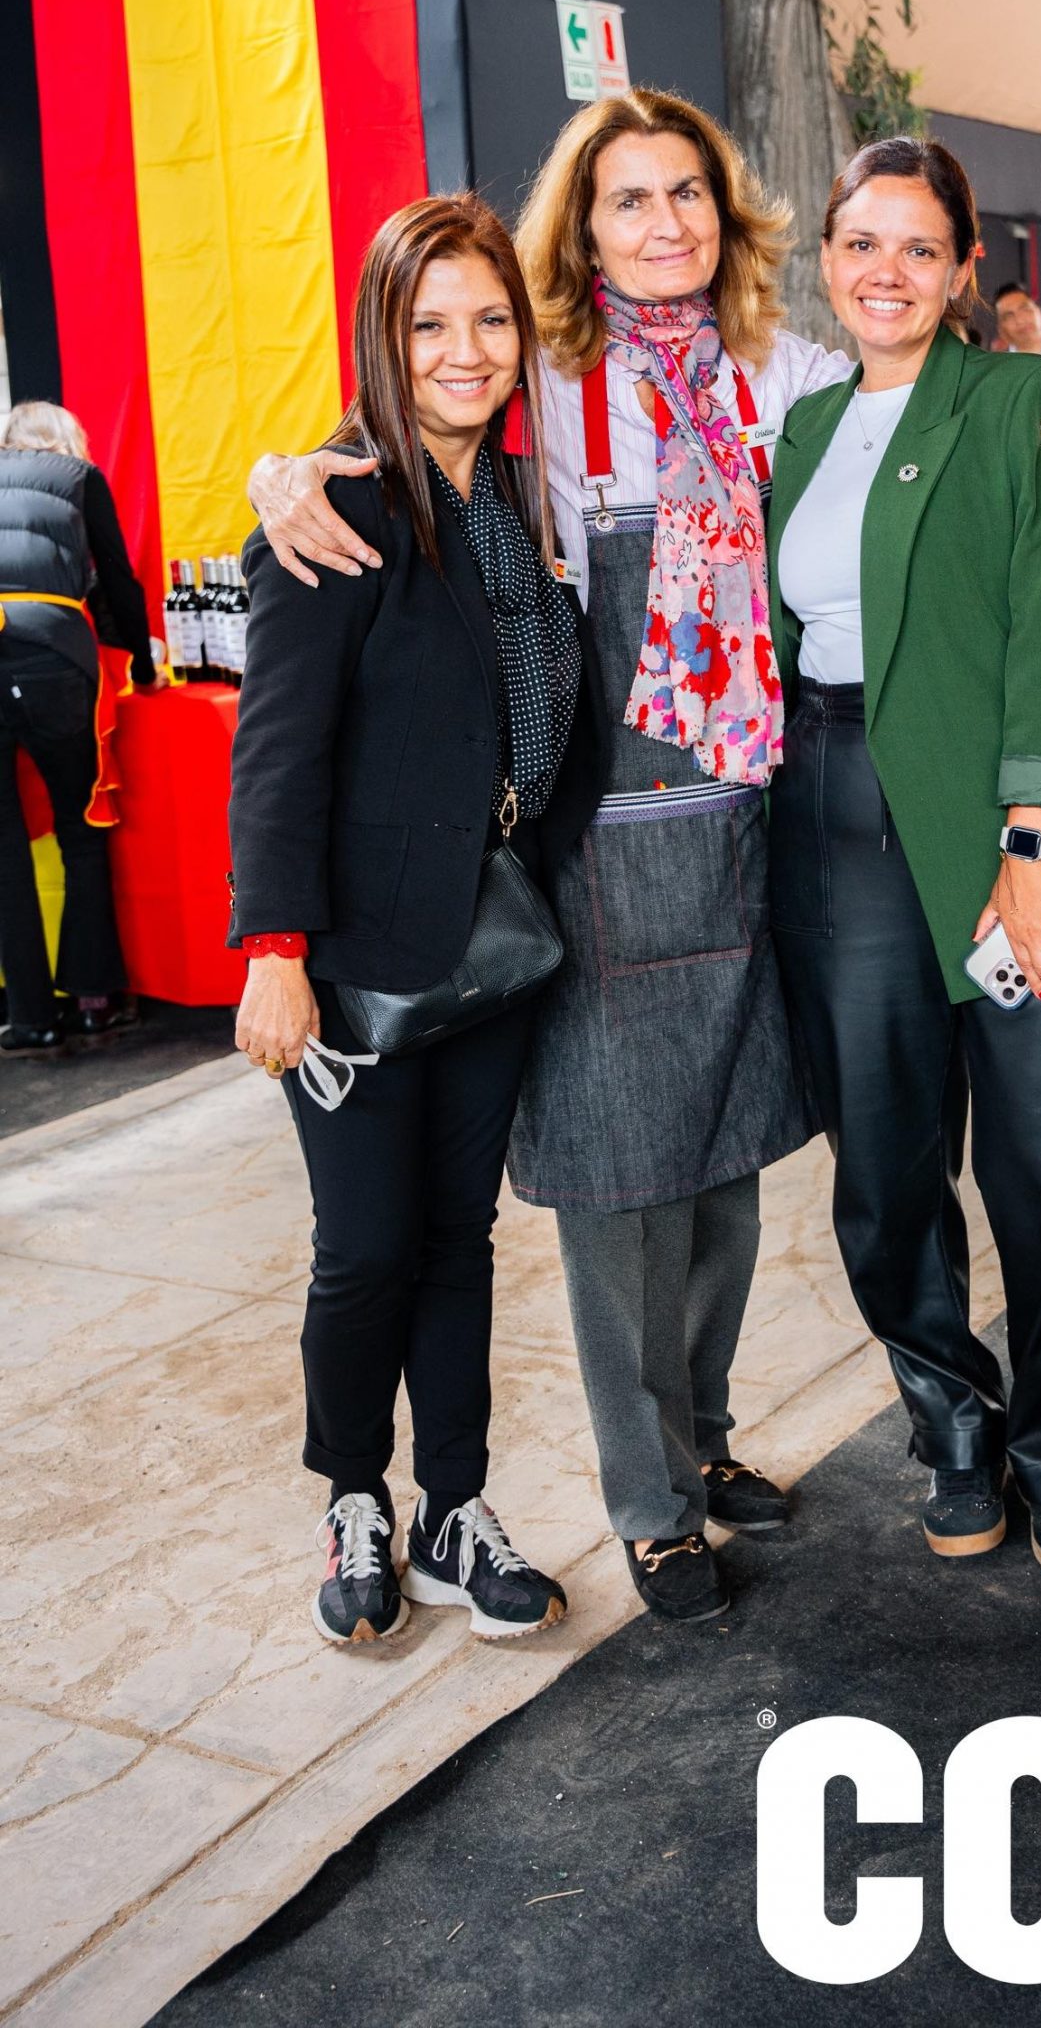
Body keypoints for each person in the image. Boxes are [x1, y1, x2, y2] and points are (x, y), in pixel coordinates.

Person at [247, 92, 1041, 1626]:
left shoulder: (788, 377)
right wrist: (287, 474)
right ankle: (644, 1496)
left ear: (728, 217)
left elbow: (929, 426)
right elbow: (407, 431)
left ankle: (703, 1445)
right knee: (614, 1181)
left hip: (752, 838)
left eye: (687, 198)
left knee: (723, 1170)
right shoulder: (538, 387)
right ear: (577, 233)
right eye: (626, 201)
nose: (662, 227)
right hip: (594, 848)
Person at [769, 137, 1041, 1582]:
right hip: (838, 826)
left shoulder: (1027, 403)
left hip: (1019, 827)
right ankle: (950, 1422)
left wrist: (1029, 841)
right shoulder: (802, 433)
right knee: (883, 1166)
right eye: (857, 243)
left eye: (914, 248)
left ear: (961, 270)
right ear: (824, 260)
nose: (882, 272)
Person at [229, 195, 599, 1645]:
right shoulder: (332, 509)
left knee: (458, 1240)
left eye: (488, 319)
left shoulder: (520, 511)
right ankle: (353, 1501)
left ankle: (455, 1508)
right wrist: (275, 955)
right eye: (427, 323)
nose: (463, 350)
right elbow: (278, 753)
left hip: (495, 951)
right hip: (357, 961)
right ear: (383, 339)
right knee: (366, 1246)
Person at [0, 401, 159, 1056]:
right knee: (81, 829)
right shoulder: (78, 477)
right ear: (67, 442)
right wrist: (143, 666)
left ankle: (31, 1017)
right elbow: (117, 579)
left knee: (4, 846)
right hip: (56, 660)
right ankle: (94, 1001)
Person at [991, 282, 1041, 359]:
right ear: (1001, 330)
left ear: (1040, 311)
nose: (1020, 320)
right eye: (1009, 316)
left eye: (1025, 309)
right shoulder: (999, 367)